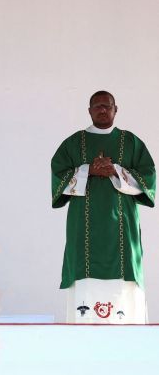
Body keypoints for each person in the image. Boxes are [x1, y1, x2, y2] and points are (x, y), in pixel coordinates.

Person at [51, 91, 155, 323]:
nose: (102, 110)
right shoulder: (73, 143)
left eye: (107, 106)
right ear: (89, 111)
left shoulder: (131, 142)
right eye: (97, 106)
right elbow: (58, 176)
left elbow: (149, 178)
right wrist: (88, 170)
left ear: (116, 109)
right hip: (82, 228)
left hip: (122, 224)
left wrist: (116, 170)